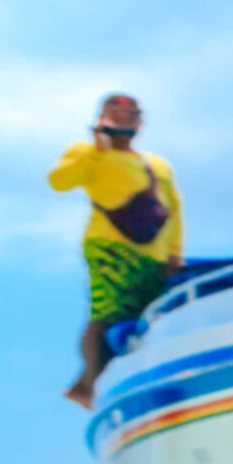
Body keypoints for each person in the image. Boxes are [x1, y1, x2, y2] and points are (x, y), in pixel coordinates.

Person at [49, 93, 182, 409]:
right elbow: (59, 181)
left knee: (144, 316)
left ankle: (100, 381)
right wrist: (97, 146)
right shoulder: (86, 153)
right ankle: (92, 387)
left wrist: (174, 252)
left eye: (131, 113)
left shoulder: (156, 164)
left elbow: (173, 209)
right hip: (108, 248)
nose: (124, 118)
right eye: (115, 112)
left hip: (152, 253)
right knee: (107, 313)